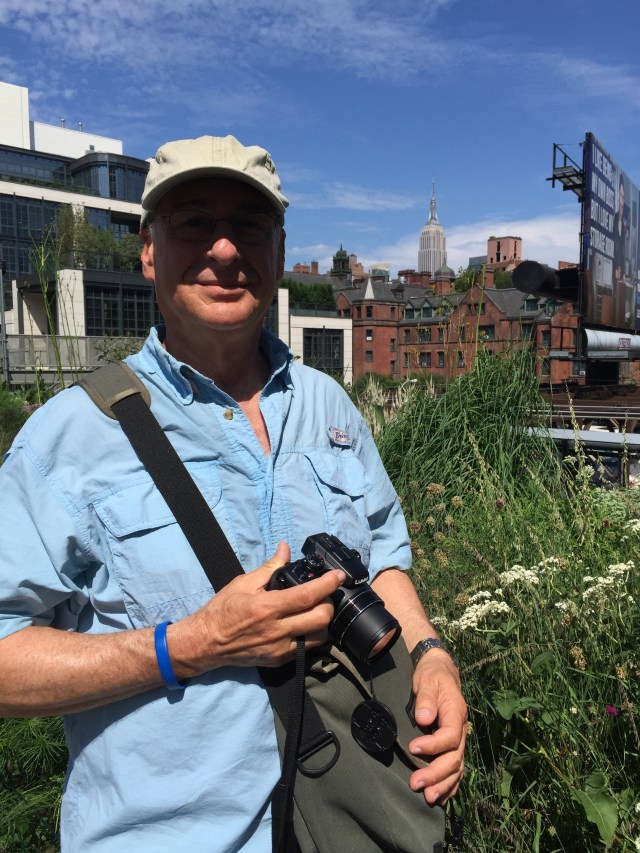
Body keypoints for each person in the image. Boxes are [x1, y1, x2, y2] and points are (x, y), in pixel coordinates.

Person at [0, 135, 466, 851]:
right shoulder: (70, 436)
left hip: (348, 819)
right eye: (193, 223)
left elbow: (384, 560)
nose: (223, 249)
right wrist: (190, 645)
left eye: (248, 226)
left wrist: (431, 654)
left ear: (277, 252)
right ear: (148, 251)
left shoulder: (329, 407)